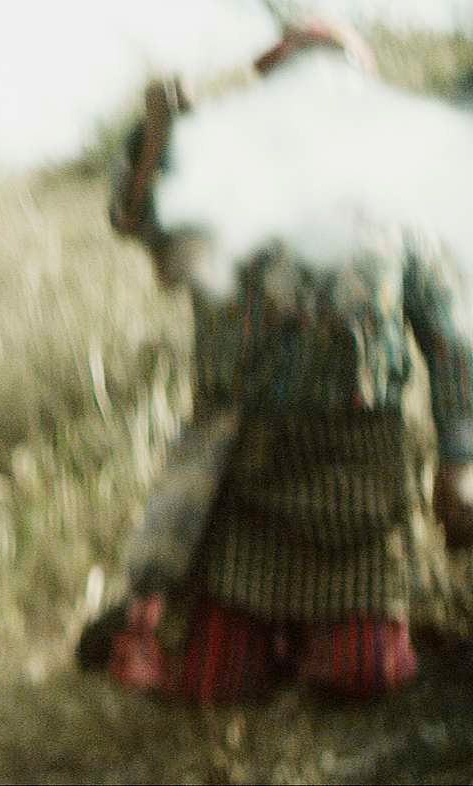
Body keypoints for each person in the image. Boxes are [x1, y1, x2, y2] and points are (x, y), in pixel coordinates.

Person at [100, 19, 473, 704]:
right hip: (246, 468)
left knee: (366, 673)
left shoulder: (398, 205)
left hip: (358, 476)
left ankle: (322, 640)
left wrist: (459, 455)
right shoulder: (221, 182)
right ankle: (207, 627)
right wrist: (158, 138)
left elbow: (451, 334)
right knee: (216, 683)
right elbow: (137, 220)